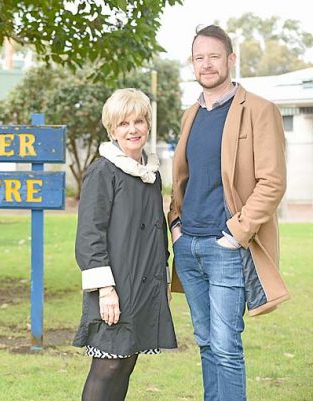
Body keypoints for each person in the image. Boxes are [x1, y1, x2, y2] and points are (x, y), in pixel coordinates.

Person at [168, 25, 290, 401]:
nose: (206, 64)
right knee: (206, 343)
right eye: (199, 58)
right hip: (188, 247)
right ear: (192, 64)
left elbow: (272, 182)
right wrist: (175, 226)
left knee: (225, 347)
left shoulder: (259, 111)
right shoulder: (190, 114)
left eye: (214, 56)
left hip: (226, 249)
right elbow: (182, 178)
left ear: (231, 59)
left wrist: (235, 234)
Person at [73, 88, 177, 401]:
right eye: (123, 123)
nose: (132, 129)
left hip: (143, 286)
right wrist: (106, 291)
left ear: (148, 125)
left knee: (126, 363)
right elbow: (89, 236)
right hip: (114, 288)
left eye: (138, 121)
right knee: (107, 365)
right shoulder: (103, 171)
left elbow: (156, 234)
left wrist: (162, 283)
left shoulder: (151, 174)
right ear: (112, 130)